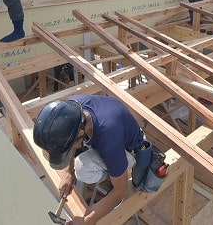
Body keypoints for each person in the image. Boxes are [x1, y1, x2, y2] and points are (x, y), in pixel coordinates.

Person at [33, 95, 144, 225]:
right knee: (60, 153)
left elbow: (121, 191)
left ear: (80, 133)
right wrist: (68, 174)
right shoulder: (72, 109)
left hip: (130, 149)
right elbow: (71, 144)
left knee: (82, 168)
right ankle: (115, 171)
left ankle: (115, 174)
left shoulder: (109, 140)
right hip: (112, 128)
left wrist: (87, 221)